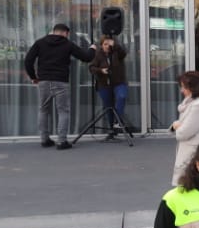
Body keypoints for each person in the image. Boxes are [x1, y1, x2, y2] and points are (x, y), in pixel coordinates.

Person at [23, 22, 94, 150]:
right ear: (66, 33)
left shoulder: (40, 42)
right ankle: (62, 142)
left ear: (53, 31)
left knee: (43, 109)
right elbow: (86, 57)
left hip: (44, 81)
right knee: (63, 111)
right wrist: (93, 48)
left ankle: (44, 139)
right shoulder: (67, 44)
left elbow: (28, 60)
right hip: (60, 81)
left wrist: (33, 77)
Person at [90, 34, 129, 139]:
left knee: (121, 96)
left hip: (119, 82)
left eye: (109, 44)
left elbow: (123, 53)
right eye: (105, 44)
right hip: (104, 85)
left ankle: (117, 123)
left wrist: (115, 45)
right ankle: (112, 130)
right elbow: (92, 67)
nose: (107, 46)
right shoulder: (98, 55)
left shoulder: (117, 52)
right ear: (101, 45)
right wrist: (101, 70)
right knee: (109, 107)